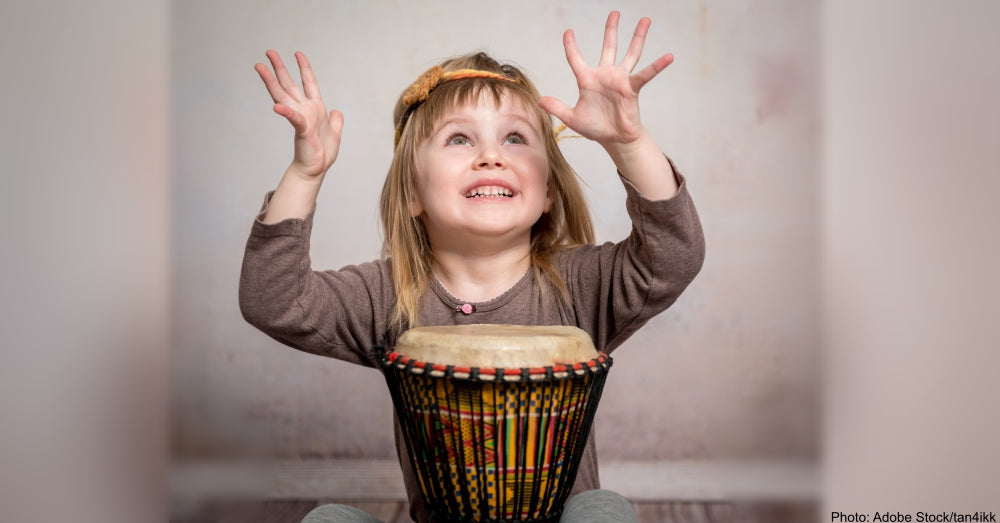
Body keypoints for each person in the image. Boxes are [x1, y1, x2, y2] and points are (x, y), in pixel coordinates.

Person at [240, 11, 705, 523]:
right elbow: (274, 301)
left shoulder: (579, 285)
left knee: (602, 511)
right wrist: (305, 174)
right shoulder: (388, 295)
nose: (489, 156)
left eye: (515, 138)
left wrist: (629, 145)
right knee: (328, 519)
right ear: (413, 192)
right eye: (460, 139)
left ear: (549, 191)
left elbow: (672, 257)